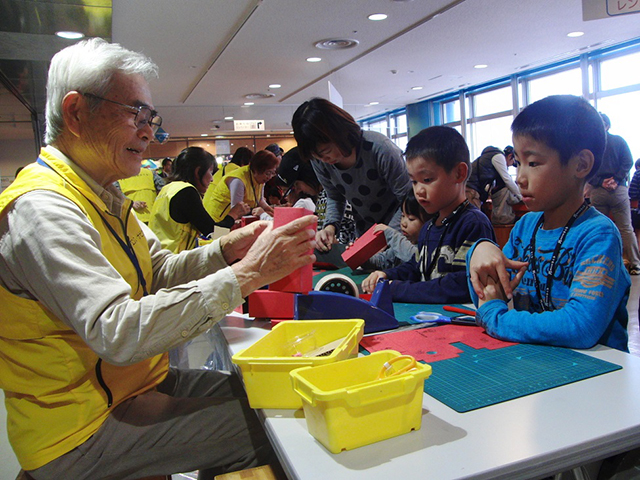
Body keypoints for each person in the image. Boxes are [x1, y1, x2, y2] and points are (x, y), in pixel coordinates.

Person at [0, 38, 317, 479]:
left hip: (133, 384)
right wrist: (250, 273)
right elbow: (118, 331)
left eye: (152, 118)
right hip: (79, 429)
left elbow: (161, 270)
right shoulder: (43, 208)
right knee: (287, 428)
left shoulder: (103, 195)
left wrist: (229, 249)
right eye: (136, 115)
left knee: (279, 394)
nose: (149, 132)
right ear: (75, 113)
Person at [467, 95, 629, 352]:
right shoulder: (525, 227)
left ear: (581, 164)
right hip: (539, 360)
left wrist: (498, 319)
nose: (520, 177)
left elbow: (580, 326)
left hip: (597, 372)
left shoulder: (598, 234)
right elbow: (488, 294)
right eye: (518, 163)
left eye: (533, 163)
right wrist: (480, 252)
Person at [361, 126, 495, 303]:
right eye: (414, 182)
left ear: (459, 173)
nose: (419, 190)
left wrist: (398, 289)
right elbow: (418, 267)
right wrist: (386, 275)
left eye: (427, 180)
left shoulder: (473, 223)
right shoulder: (430, 226)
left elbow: (460, 284)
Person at [292, 97, 412, 251]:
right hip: (365, 234)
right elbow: (334, 196)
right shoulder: (320, 161)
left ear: (339, 133)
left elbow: (408, 200)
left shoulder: (380, 149)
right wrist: (330, 227)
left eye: (326, 151)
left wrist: (388, 236)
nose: (323, 159)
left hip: (402, 232)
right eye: (316, 156)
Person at [149, 146, 249, 253]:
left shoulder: (168, 189)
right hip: (173, 259)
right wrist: (233, 214)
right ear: (198, 172)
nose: (212, 179)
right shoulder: (186, 191)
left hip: (160, 256)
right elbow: (214, 233)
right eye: (210, 172)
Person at [586, 113, 639, 274]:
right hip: (619, 190)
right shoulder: (619, 141)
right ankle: (635, 263)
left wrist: (599, 182)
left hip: (597, 190)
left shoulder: (591, 147)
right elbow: (628, 162)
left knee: (600, 228)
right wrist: (616, 179)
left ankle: (603, 263)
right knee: (626, 228)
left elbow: (587, 168)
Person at [360, 190, 432, 271]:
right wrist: (362, 258)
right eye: (403, 216)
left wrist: (391, 235)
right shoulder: (403, 243)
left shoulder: (429, 247)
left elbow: (415, 258)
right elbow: (383, 261)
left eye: (411, 219)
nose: (403, 223)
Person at [205, 149, 279, 222]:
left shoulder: (260, 180)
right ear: (256, 170)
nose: (269, 177)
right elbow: (237, 209)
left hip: (233, 219)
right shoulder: (238, 180)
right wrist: (262, 213)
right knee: (220, 234)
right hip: (219, 219)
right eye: (268, 173)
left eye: (272, 173)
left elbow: (260, 200)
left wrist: (272, 211)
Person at [466, 145, 523, 224]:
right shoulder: (499, 156)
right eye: (512, 162)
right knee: (474, 221)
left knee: (474, 219)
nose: (509, 165)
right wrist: (520, 196)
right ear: (510, 156)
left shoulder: (489, 157)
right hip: (471, 190)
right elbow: (507, 179)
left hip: (470, 188)